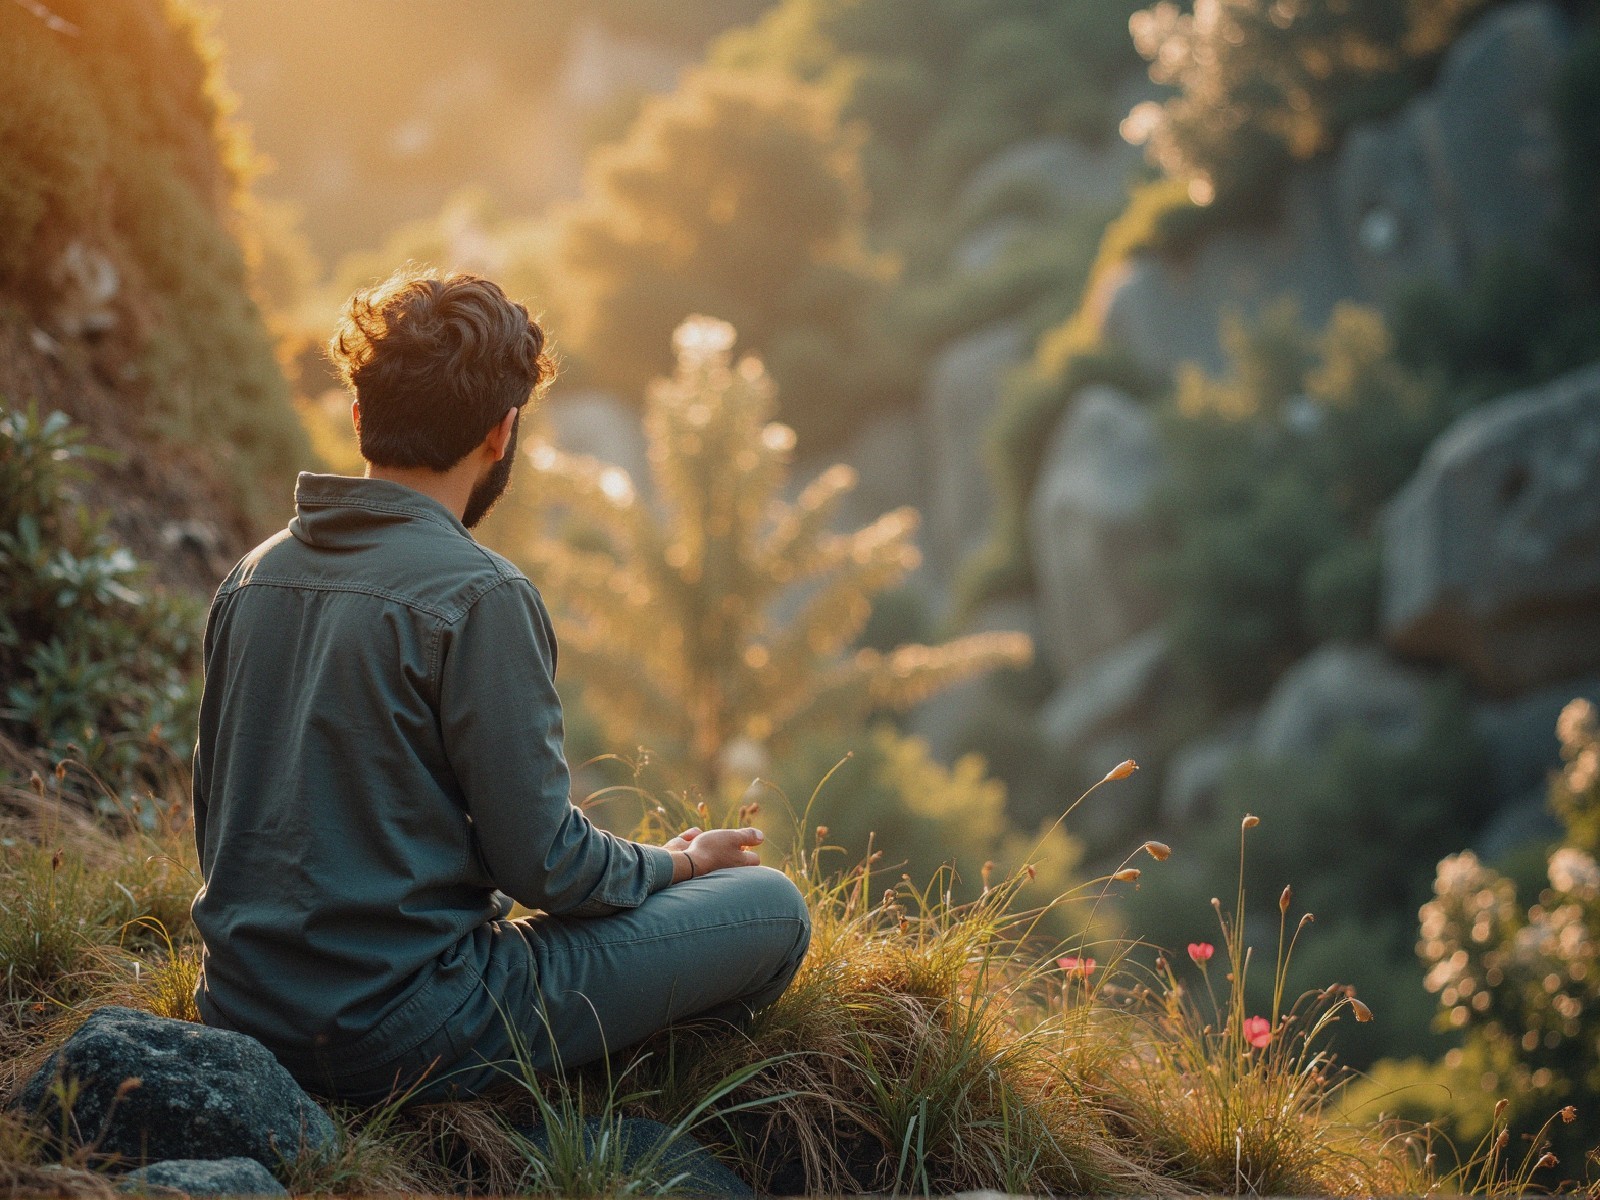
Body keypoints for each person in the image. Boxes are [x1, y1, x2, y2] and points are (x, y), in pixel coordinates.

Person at [189, 268, 811, 1104]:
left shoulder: (253, 577)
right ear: (501, 432)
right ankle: (612, 1106)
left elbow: (219, 824)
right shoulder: (479, 595)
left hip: (240, 1010)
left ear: (360, 413)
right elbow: (546, 866)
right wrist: (676, 863)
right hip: (404, 1029)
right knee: (770, 907)